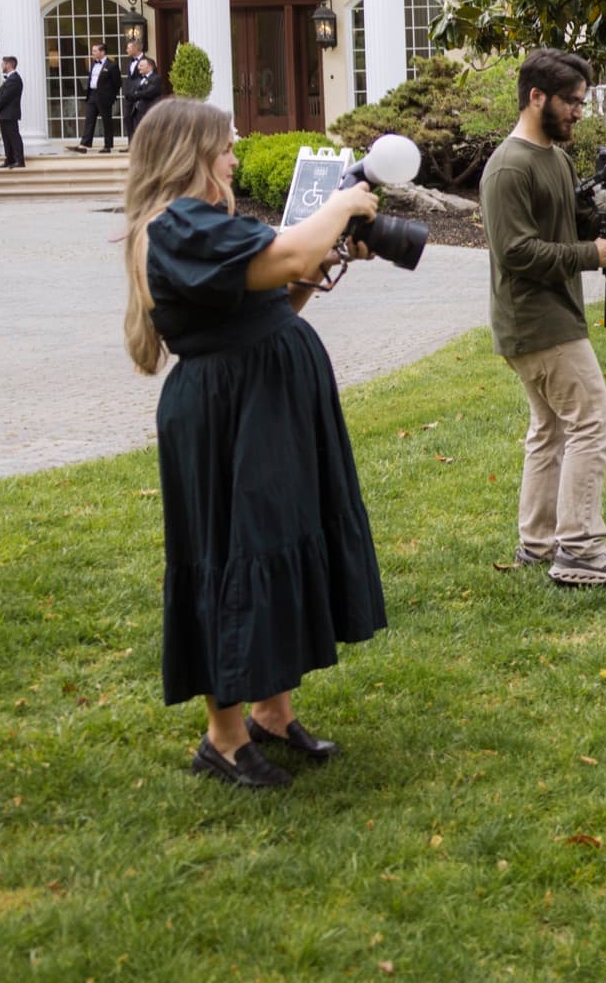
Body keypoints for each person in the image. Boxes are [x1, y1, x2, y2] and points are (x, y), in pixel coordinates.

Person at [122, 98, 388, 789]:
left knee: (281, 536)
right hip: (228, 412)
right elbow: (292, 247)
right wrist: (343, 204)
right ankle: (224, 737)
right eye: (226, 147)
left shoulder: (202, 223)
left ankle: (273, 710)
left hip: (264, 400)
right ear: (190, 153)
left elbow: (275, 294)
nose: (235, 158)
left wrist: (321, 263)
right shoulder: (175, 224)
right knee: (234, 552)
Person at [480, 49, 606, 586]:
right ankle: (579, 549)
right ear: (536, 97)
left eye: (582, 101)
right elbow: (517, 252)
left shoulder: (555, 157)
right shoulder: (509, 167)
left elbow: (581, 227)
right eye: (571, 102)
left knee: (551, 428)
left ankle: (538, 542)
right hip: (535, 321)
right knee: (594, 421)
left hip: (552, 316)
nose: (579, 112)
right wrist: (588, 256)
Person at [74, 41, 122, 153]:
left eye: (95, 51)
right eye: (93, 51)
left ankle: (108, 145)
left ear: (102, 52)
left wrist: (111, 97)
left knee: (106, 121)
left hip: (105, 97)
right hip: (92, 95)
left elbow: (117, 83)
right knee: (89, 119)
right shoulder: (93, 63)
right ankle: (84, 144)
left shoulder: (112, 65)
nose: (92, 53)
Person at [0, 55, 26, 170]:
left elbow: (6, 97)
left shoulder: (15, 79)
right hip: (5, 113)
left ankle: (19, 160)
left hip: (10, 113)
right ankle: (9, 159)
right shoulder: (10, 78)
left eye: (3, 64)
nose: (2, 65)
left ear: (9, 65)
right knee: (6, 137)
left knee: (14, 136)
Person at [124, 54, 164, 139]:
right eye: (139, 65)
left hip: (148, 109)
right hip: (137, 110)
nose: (139, 67)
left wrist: (135, 95)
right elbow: (131, 92)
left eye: (141, 65)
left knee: (148, 133)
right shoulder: (138, 80)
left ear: (149, 66)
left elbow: (149, 92)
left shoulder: (156, 79)